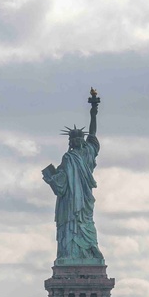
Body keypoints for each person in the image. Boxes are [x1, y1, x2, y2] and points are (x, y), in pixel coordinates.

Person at [42, 88, 105, 265]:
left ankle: (90, 251)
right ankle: (69, 253)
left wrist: (94, 112)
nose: (77, 140)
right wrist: (52, 178)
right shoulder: (68, 158)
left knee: (86, 223)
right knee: (70, 225)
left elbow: (93, 134)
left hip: (83, 198)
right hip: (69, 201)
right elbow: (60, 184)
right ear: (71, 142)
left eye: (80, 138)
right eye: (74, 139)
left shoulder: (87, 154)